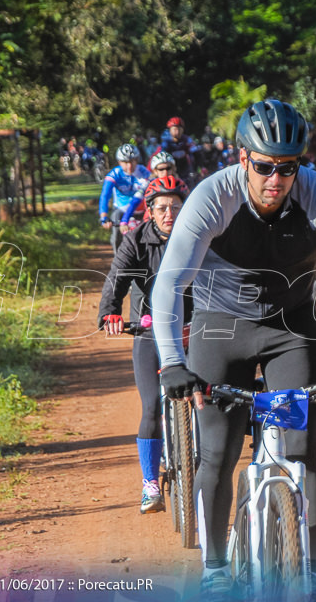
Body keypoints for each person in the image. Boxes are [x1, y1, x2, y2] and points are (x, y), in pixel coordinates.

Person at [151, 99, 316, 598]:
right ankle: (215, 569)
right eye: (263, 166)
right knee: (218, 451)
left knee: (303, 453)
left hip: (292, 326)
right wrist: (173, 362)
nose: (275, 179)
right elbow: (171, 282)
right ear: (243, 159)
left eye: (287, 167)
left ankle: (312, 568)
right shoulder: (212, 196)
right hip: (220, 327)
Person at [98, 175, 191, 514]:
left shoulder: (200, 236)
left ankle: (209, 470)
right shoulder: (135, 240)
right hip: (149, 327)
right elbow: (117, 279)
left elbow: (223, 278)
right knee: (151, 405)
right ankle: (150, 482)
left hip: (197, 328)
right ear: (149, 210)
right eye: (162, 207)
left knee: (212, 398)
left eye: (176, 207)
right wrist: (110, 312)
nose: (170, 214)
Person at [99, 144, 150, 256]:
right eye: (125, 162)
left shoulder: (144, 172)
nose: (129, 165)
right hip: (121, 209)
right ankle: (118, 259)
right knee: (117, 231)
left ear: (137, 160)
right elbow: (105, 195)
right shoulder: (114, 174)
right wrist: (104, 216)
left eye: (132, 161)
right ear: (119, 162)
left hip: (140, 209)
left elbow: (148, 191)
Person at [162, 116, 196, 183]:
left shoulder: (187, 139)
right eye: (174, 129)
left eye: (179, 129)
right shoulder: (166, 142)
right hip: (172, 171)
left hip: (186, 169)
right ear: (170, 130)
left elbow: (196, 153)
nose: (177, 132)